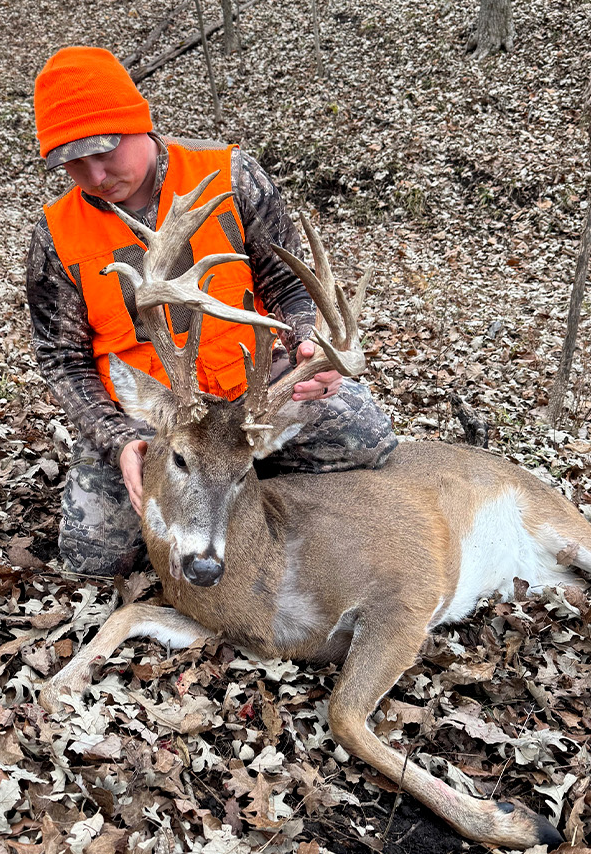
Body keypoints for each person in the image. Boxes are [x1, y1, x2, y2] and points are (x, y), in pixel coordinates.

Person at [24, 46, 397, 578]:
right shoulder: (57, 233)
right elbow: (61, 357)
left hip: (252, 388)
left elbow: (288, 282)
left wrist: (306, 341)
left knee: (368, 443)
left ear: (140, 123)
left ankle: (232, 486)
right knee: (95, 561)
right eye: (72, 162)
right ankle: (214, 484)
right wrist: (118, 441)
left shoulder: (231, 175)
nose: (96, 173)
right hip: (151, 409)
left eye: (106, 150)